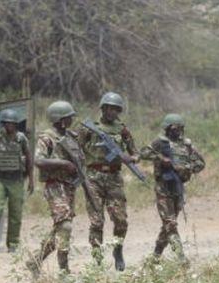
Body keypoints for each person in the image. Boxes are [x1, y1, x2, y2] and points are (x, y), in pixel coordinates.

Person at [77, 92, 137, 271]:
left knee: (121, 220)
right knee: (97, 222)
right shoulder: (89, 128)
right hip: (93, 178)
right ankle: (97, 259)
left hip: (114, 178)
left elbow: (136, 153)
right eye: (109, 108)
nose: (112, 112)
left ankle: (118, 250)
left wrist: (129, 158)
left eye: (115, 109)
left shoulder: (123, 130)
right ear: (102, 108)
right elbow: (76, 150)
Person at [27, 101, 84, 274]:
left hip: (69, 187)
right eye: (69, 117)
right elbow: (38, 160)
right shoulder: (47, 137)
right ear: (60, 120)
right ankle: (64, 270)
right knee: (65, 227)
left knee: (60, 228)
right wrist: (63, 164)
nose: (72, 120)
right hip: (55, 186)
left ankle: (35, 261)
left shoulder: (72, 137)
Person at [139, 114, 205, 261]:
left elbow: (200, 164)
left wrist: (185, 168)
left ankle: (155, 257)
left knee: (168, 226)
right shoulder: (160, 143)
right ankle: (180, 257)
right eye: (175, 128)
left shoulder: (187, 145)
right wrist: (161, 158)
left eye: (180, 128)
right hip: (163, 189)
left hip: (178, 189)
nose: (178, 131)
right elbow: (143, 153)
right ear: (167, 129)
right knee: (170, 224)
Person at [0, 109, 34, 252]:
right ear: (3, 124)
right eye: (6, 123)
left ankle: (13, 244)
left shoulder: (21, 138)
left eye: (12, 124)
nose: (9, 126)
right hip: (0, 179)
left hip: (16, 180)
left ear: (16, 125)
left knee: (16, 214)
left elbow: (29, 158)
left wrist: (31, 179)